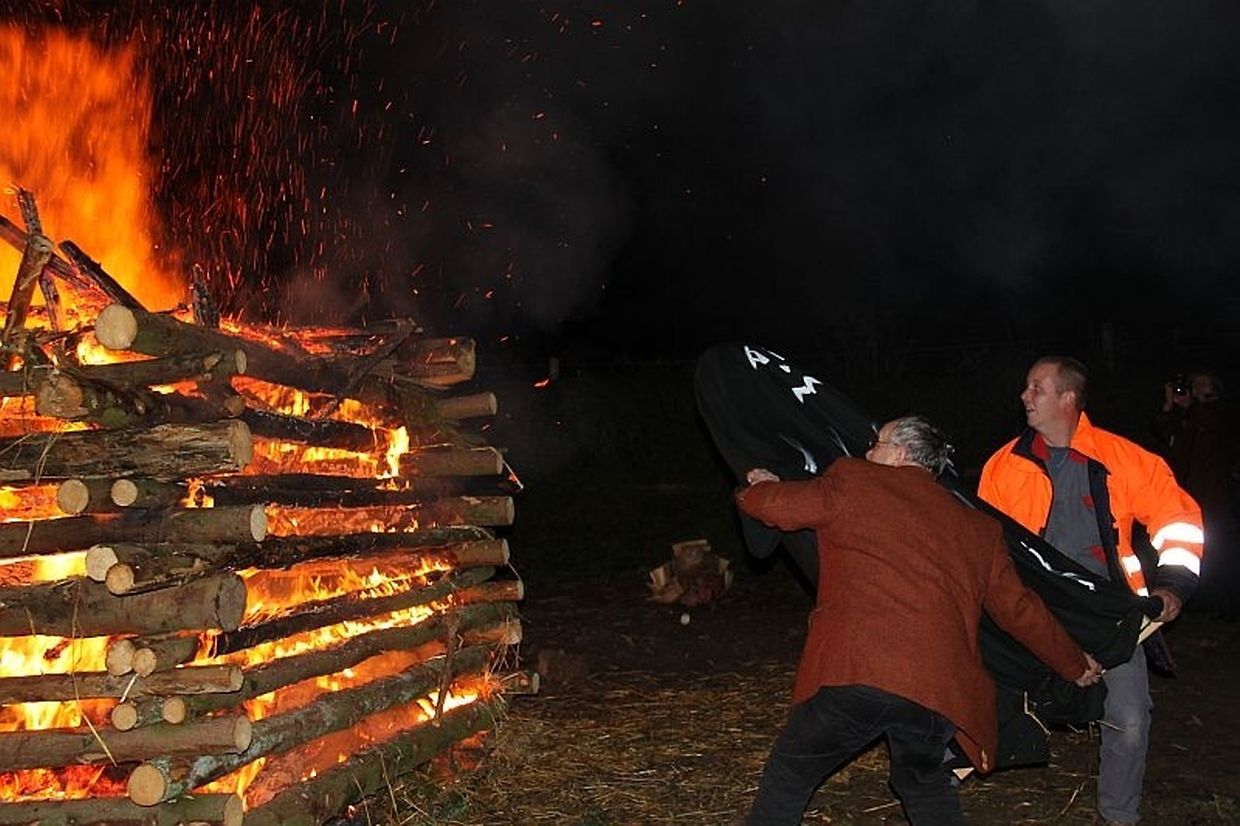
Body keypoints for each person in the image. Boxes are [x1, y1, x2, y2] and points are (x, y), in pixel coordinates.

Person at [738, 415, 1102, 825]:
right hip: (938, 692)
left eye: (876, 444)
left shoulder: (856, 480)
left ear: (899, 454)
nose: (867, 452)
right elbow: (1021, 610)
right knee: (924, 784)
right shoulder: (978, 529)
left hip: (861, 675)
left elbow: (776, 507)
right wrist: (1074, 663)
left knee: (789, 775)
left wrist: (761, 486)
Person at [979, 356, 1204, 826]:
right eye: (1026, 387)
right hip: (1033, 612)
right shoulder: (1003, 466)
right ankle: (932, 781)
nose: (1024, 396)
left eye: (1036, 388)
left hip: (1109, 614)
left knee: (1130, 718)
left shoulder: (1124, 459)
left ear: (1068, 398)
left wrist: (1173, 585)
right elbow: (982, 547)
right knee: (983, 702)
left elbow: (1178, 520)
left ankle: (1119, 816)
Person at [1152, 369, 1240, 618]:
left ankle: (1226, 605)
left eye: (1203, 384)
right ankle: (1200, 602)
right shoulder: (1188, 416)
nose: (1197, 388)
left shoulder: (1220, 413)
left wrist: (1192, 407)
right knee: (1195, 550)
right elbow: (1164, 434)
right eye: (1195, 384)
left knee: (1221, 551)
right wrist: (1170, 406)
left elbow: (1218, 432)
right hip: (1187, 496)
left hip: (1218, 498)